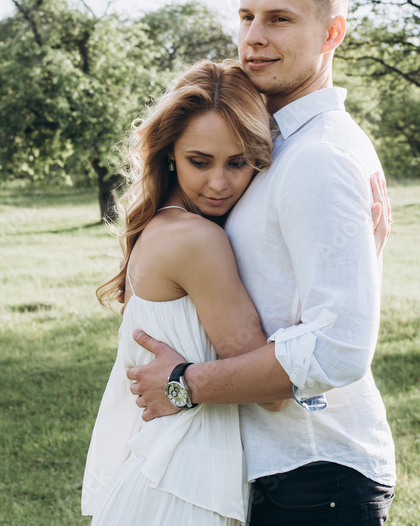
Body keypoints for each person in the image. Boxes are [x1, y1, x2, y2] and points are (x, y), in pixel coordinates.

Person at [126, 0, 397, 525]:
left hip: (314, 474)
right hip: (277, 471)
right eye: (247, 16)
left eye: (280, 19)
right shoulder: (273, 144)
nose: (253, 36)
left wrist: (184, 384)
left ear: (332, 34)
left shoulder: (319, 155)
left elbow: (339, 347)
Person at [82, 60, 391, 525]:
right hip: (184, 485)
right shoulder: (196, 241)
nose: (220, 183)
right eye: (199, 162)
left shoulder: (164, 224)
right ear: (169, 154)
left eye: (239, 162)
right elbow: (273, 394)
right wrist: (357, 261)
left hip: (163, 471)